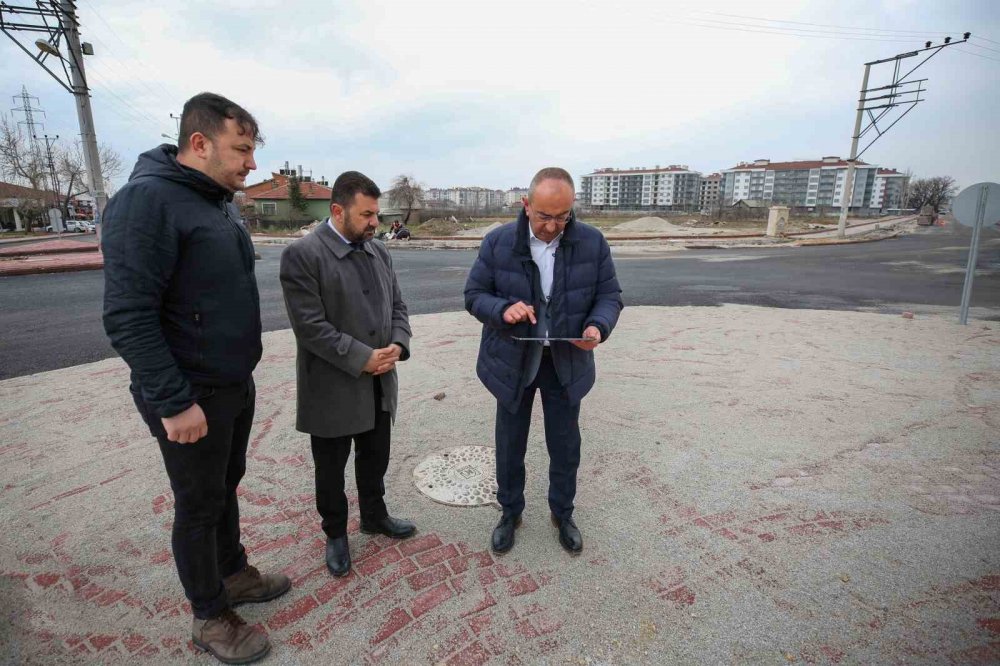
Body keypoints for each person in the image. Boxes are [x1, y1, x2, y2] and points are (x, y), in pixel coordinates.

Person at [102, 93, 289, 664]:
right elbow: (128, 315)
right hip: (190, 393)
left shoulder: (217, 202)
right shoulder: (146, 202)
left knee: (225, 485)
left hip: (231, 383)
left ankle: (231, 572)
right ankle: (209, 614)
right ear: (199, 143)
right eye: (242, 149)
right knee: (198, 502)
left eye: (253, 149)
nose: (251, 164)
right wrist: (173, 400)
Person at [464, 167, 623, 555]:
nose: (553, 226)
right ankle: (510, 512)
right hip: (513, 359)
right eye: (544, 216)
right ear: (526, 205)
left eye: (562, 216)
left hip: (566, 360)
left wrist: (597, 327)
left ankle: (563, 513)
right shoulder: (498, 241)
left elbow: (609, 295)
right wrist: (503, 309)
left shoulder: (592, 242)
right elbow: (473, 294)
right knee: (509, 442)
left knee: (566, 443)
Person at [279, 171, 416, 579]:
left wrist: (398, 344)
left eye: (377, 214)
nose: (376, 223)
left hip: (379, 381)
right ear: (337, 211)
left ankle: (374, 516)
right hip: (333, 387)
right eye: (366, 214)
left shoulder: (378, 252)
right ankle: (335, 533)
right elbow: (310, 328)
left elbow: (398, 306)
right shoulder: (303, 255)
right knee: (331, 469)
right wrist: (362, 358)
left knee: (375, 458)